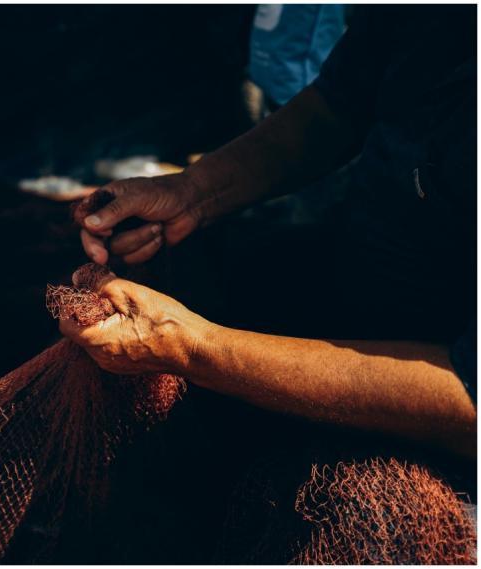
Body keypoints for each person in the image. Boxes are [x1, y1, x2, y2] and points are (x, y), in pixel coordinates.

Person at [62, 5, 476, 457]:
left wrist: (192, 348)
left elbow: (469, 401)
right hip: (363, 268)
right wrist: (193, 193)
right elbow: (340, 103)